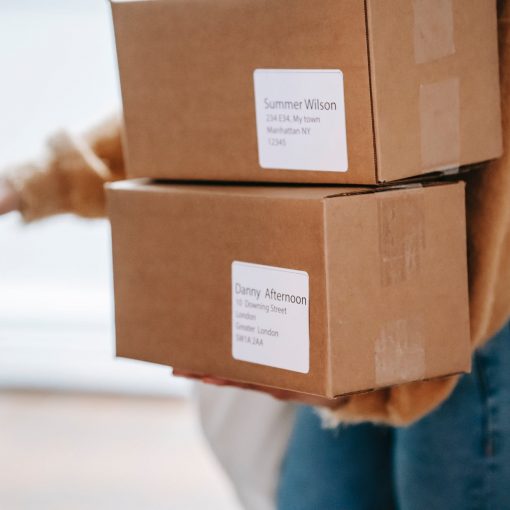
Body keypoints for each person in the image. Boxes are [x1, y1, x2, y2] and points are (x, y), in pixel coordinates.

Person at [2, 1, 510, 508]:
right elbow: (218, 96)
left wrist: (395, 375)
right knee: (317, 496)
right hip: (369, 288)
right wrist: (39, 183)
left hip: (482, 305)